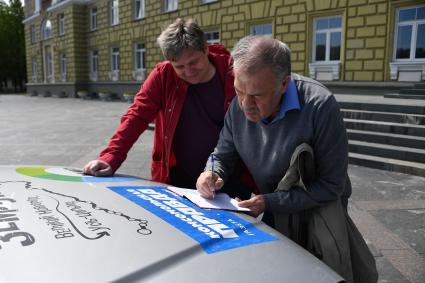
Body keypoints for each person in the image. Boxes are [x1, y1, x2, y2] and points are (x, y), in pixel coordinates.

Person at [196, 36, 377, 283]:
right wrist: (212, 172)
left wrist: (269, 202)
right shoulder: (240, 105)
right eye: (239, 91)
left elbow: (331, 185)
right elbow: (223, 154)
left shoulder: (320, 105)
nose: (246, 105)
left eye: (257, 95)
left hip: (317, 214)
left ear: (284, 84)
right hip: (271, 206)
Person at [83, 18, 252, 198]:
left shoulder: (233, 71)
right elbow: (136, 116)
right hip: (176, 179)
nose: (188, 71)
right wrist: (110, 157)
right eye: (179, 66)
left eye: (193, 62)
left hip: (230, 179)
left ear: (205, 48)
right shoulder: (163, 75)